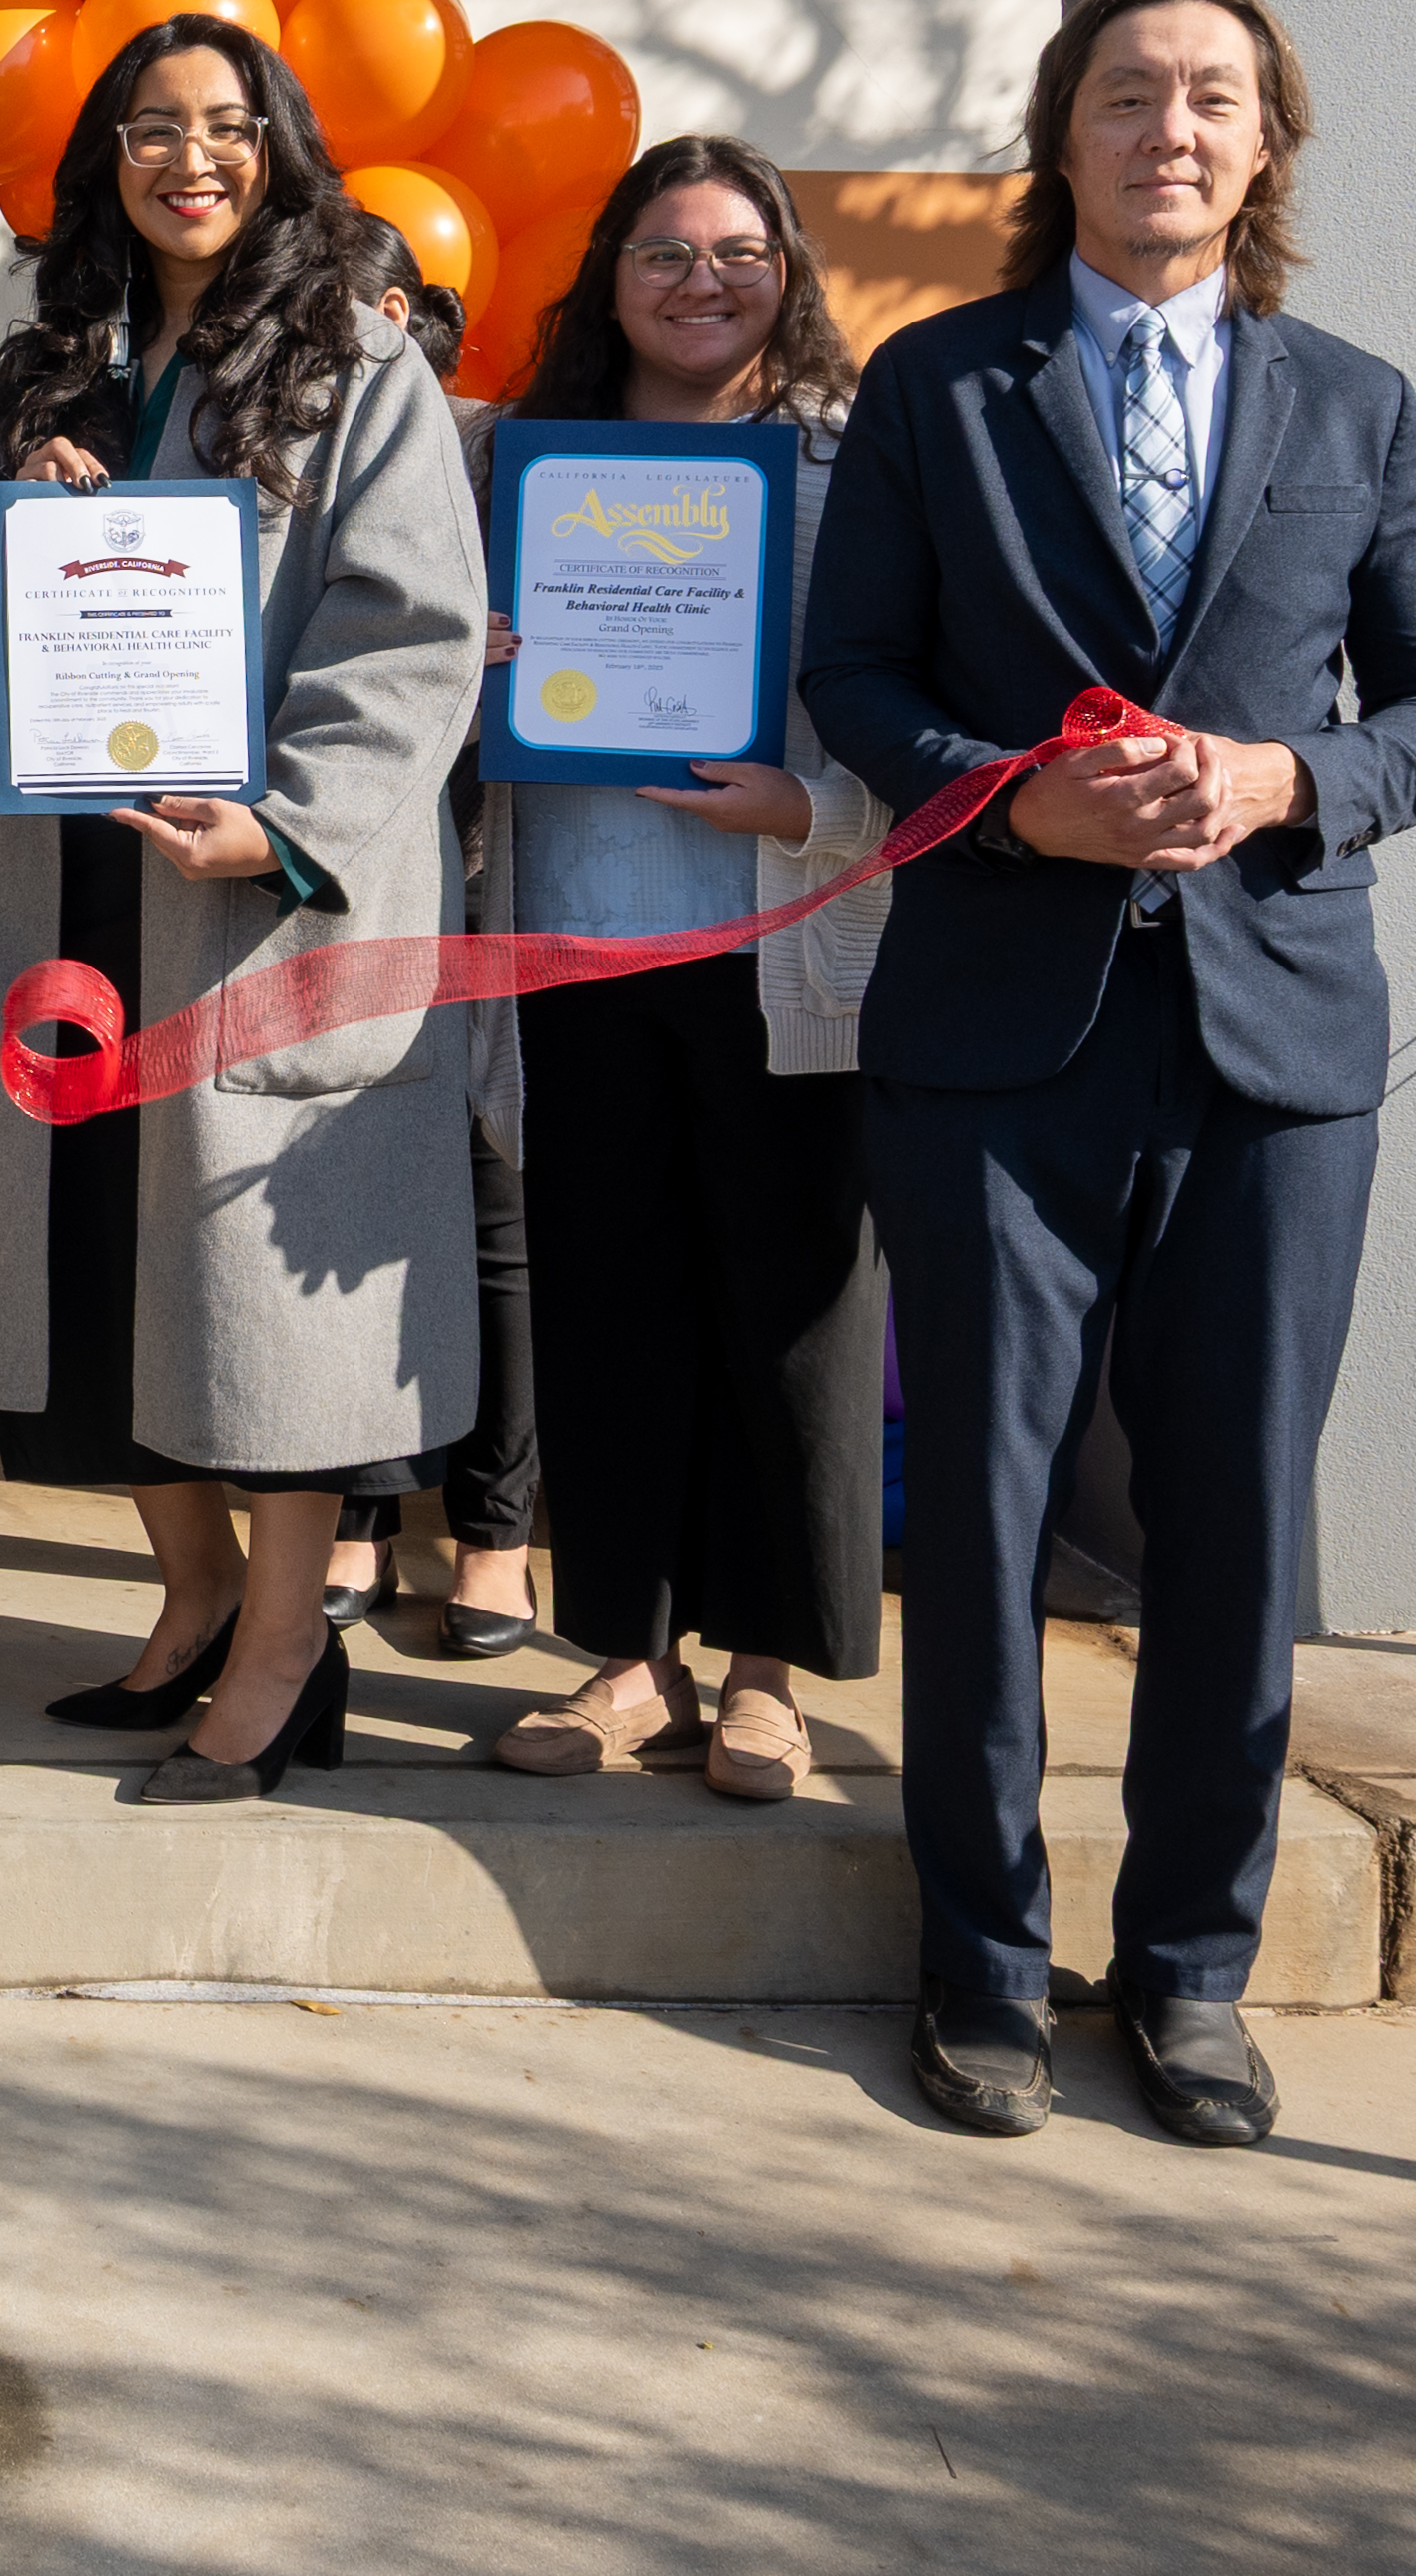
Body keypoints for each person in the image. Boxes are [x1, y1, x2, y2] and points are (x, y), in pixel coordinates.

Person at [806, 0, 1416, 2148]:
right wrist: (1007, 796)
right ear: (1063, 136)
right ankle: (984, 1966)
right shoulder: (938, 384)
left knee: (1229, 1522)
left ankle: (1190, 1969)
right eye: (1125, 95)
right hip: (995, 1044)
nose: (1167, 130)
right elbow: (851, 675)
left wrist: (1287, 780)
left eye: (1210, 97)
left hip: (1271, 1046)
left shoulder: (1356, 405)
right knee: (993, 1521)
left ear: (1264, 141)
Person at [0, 23, 490, 1802]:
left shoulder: (356, 362)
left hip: (250, 894)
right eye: (152, 128)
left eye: (226, 127)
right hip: (76, 871)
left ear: (278, 152)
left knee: (250, 1301)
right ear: (106, 160)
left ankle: (290, 1650)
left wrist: (282, 821)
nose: (189, 158)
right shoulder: (42, 365)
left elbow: (413, 631)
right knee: (94, 1258)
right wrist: (9, 528)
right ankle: (195, 1596)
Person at [462, 136, 891, 1800]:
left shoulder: (853, 475)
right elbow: (411, 682)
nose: (700, 280)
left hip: (784, 954)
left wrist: (812, 807)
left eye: (736, 250)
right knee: (609, 1310)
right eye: (662, 251)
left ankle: (768, 1675)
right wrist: (474, 655)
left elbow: (921, 717)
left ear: (786, 271)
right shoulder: (514, 471)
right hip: (573, 952)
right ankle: (626, 1663)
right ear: (605, 277)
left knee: (790, 1318)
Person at [324, 243, 543, 1674]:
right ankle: (359, 1507)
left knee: (489, 1205)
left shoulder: (514, 456)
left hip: (485, 871)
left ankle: (495, 1531)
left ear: (400, 313)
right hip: (339, 882)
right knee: (340, 1208)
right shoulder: (276, 446)